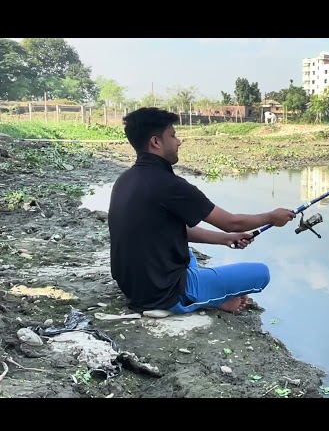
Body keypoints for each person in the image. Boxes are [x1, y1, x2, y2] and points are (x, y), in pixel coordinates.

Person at [107, 107, 295, 316]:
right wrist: (271, 217)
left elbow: (170, 230)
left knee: (187, 255)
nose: (178, 142)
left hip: (134, 287)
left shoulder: (125, 179)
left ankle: (209, 293)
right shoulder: (170, 185)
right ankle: (205, 300)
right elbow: (232, 222)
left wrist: (225, 239)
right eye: (173, 135)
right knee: (261, 273)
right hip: (163, 293)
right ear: (156, 142)